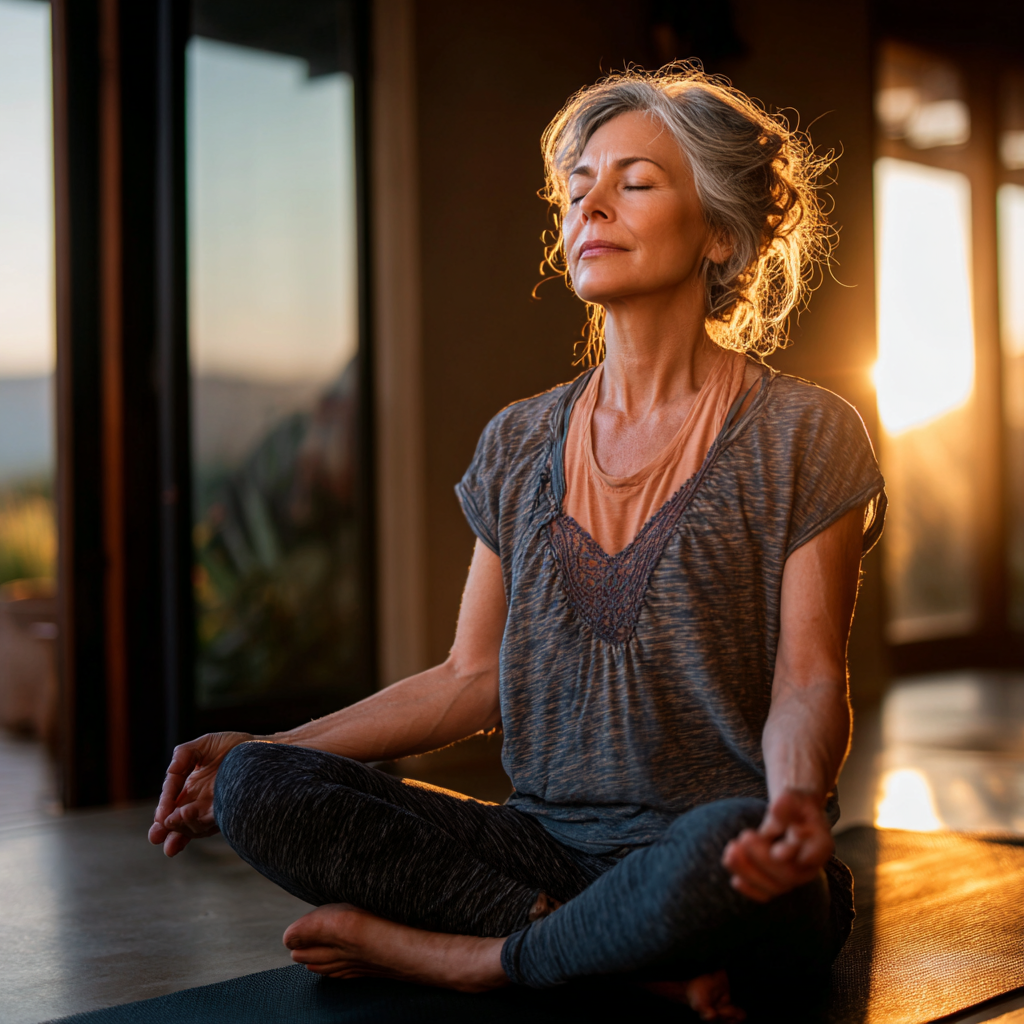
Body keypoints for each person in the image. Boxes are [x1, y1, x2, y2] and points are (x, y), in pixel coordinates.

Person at [149, 64, 884, 1021]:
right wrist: (274, 742)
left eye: (635, 182)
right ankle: (591, 948)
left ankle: (463, 961)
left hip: (712, 850)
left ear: (718, 231)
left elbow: (809, 680)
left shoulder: (807, 433)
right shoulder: (519, 441)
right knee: (259, 785)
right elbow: (469, 675)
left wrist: (792, 802)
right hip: (539, 847)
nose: (592, 208)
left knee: (735, 854)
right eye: (579, 188)